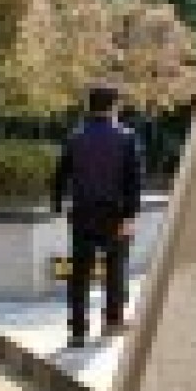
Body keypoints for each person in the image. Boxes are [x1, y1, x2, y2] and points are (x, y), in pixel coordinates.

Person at [52, 85, 143, 349]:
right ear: (114, 105)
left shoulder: (75, 137)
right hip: (115, 214)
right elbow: (134, 181)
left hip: (82, 213)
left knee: (80, 273)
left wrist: (58, 205)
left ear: (89, 106)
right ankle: (112, 322)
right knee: (115, 268)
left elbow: (61, 175)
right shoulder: (126, 137)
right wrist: (130, 216)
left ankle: (78, 331)